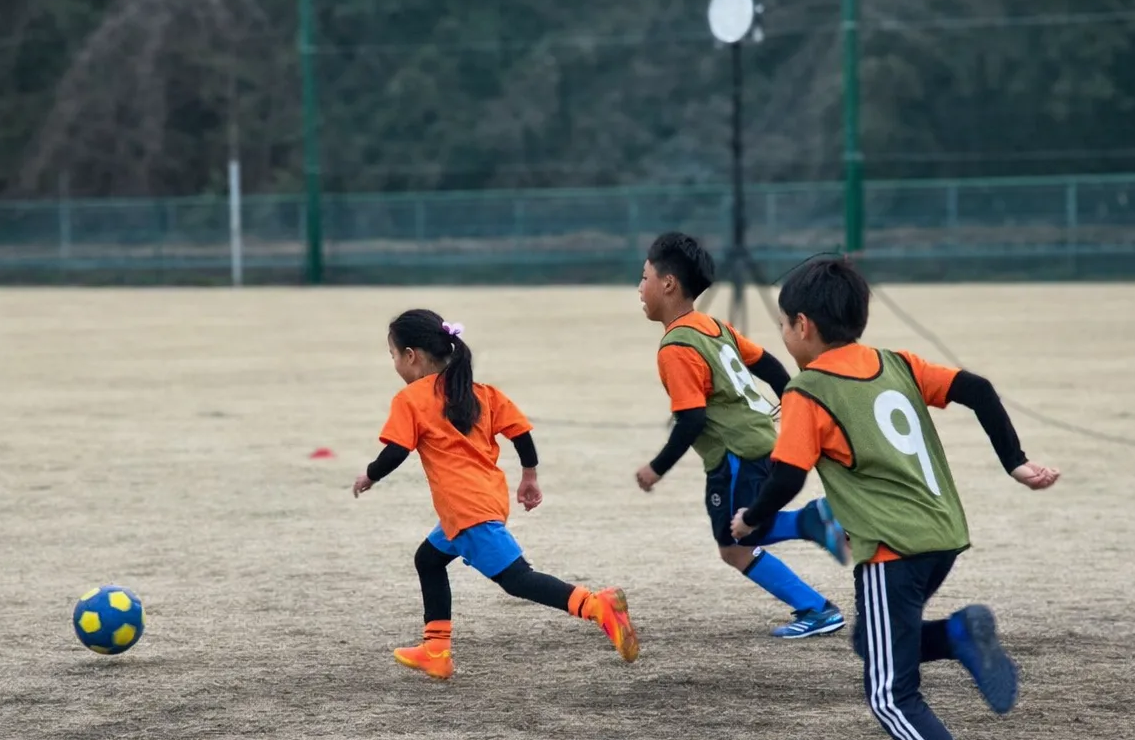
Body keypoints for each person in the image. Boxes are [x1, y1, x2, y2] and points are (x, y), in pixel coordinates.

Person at [731, 254, 1059, 740]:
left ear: (803, 325)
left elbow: (787, 476)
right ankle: (957, 635)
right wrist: (1014, 461)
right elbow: (978, 390)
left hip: (891, 550)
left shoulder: (809, 390)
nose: (782, 334)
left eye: (782, 323)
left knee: (889, 694)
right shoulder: (896, 363)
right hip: (941, 536)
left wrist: (751, 519)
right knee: (873, 642)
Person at [354, 308, 639, 680]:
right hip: (480, 501)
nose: (394, 363)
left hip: (466, 511)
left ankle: (596, 605)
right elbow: (520, 433)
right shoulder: (480, 393)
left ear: (411, 356)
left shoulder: (411, 399)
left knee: (517, 579)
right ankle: (435, 650)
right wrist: (529, 476)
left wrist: (370, 475)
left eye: (392, 355)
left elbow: (395, 451)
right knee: (428, 559)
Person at [635, 232, 849, 638]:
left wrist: (656, 468)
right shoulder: (713, 327)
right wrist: (791, 402)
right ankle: (814, 575)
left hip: (735, 455)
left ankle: (816, 584)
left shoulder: (676, 347)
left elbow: (692, 420)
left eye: (645, 277)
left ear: (669, 284)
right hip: (759, 444)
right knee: (736, 540)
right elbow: (769, 364)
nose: (640, 287)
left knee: (735, 539)